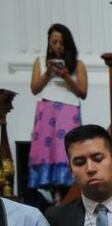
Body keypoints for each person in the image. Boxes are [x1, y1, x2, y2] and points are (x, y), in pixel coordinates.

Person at [28, 23, 87, 200]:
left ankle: (66, 194)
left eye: (61, 43)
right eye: (54, 42)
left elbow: (82, 92)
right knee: (47, 151)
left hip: (68, 111)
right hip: (46, 110)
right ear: (49, 42)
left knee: (65, 150)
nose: (57, 46)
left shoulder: (77, 64)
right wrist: (48, 73)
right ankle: (52, 194)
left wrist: (66, 76)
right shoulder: (39, 60)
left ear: (67, 44)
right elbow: (35, 88)